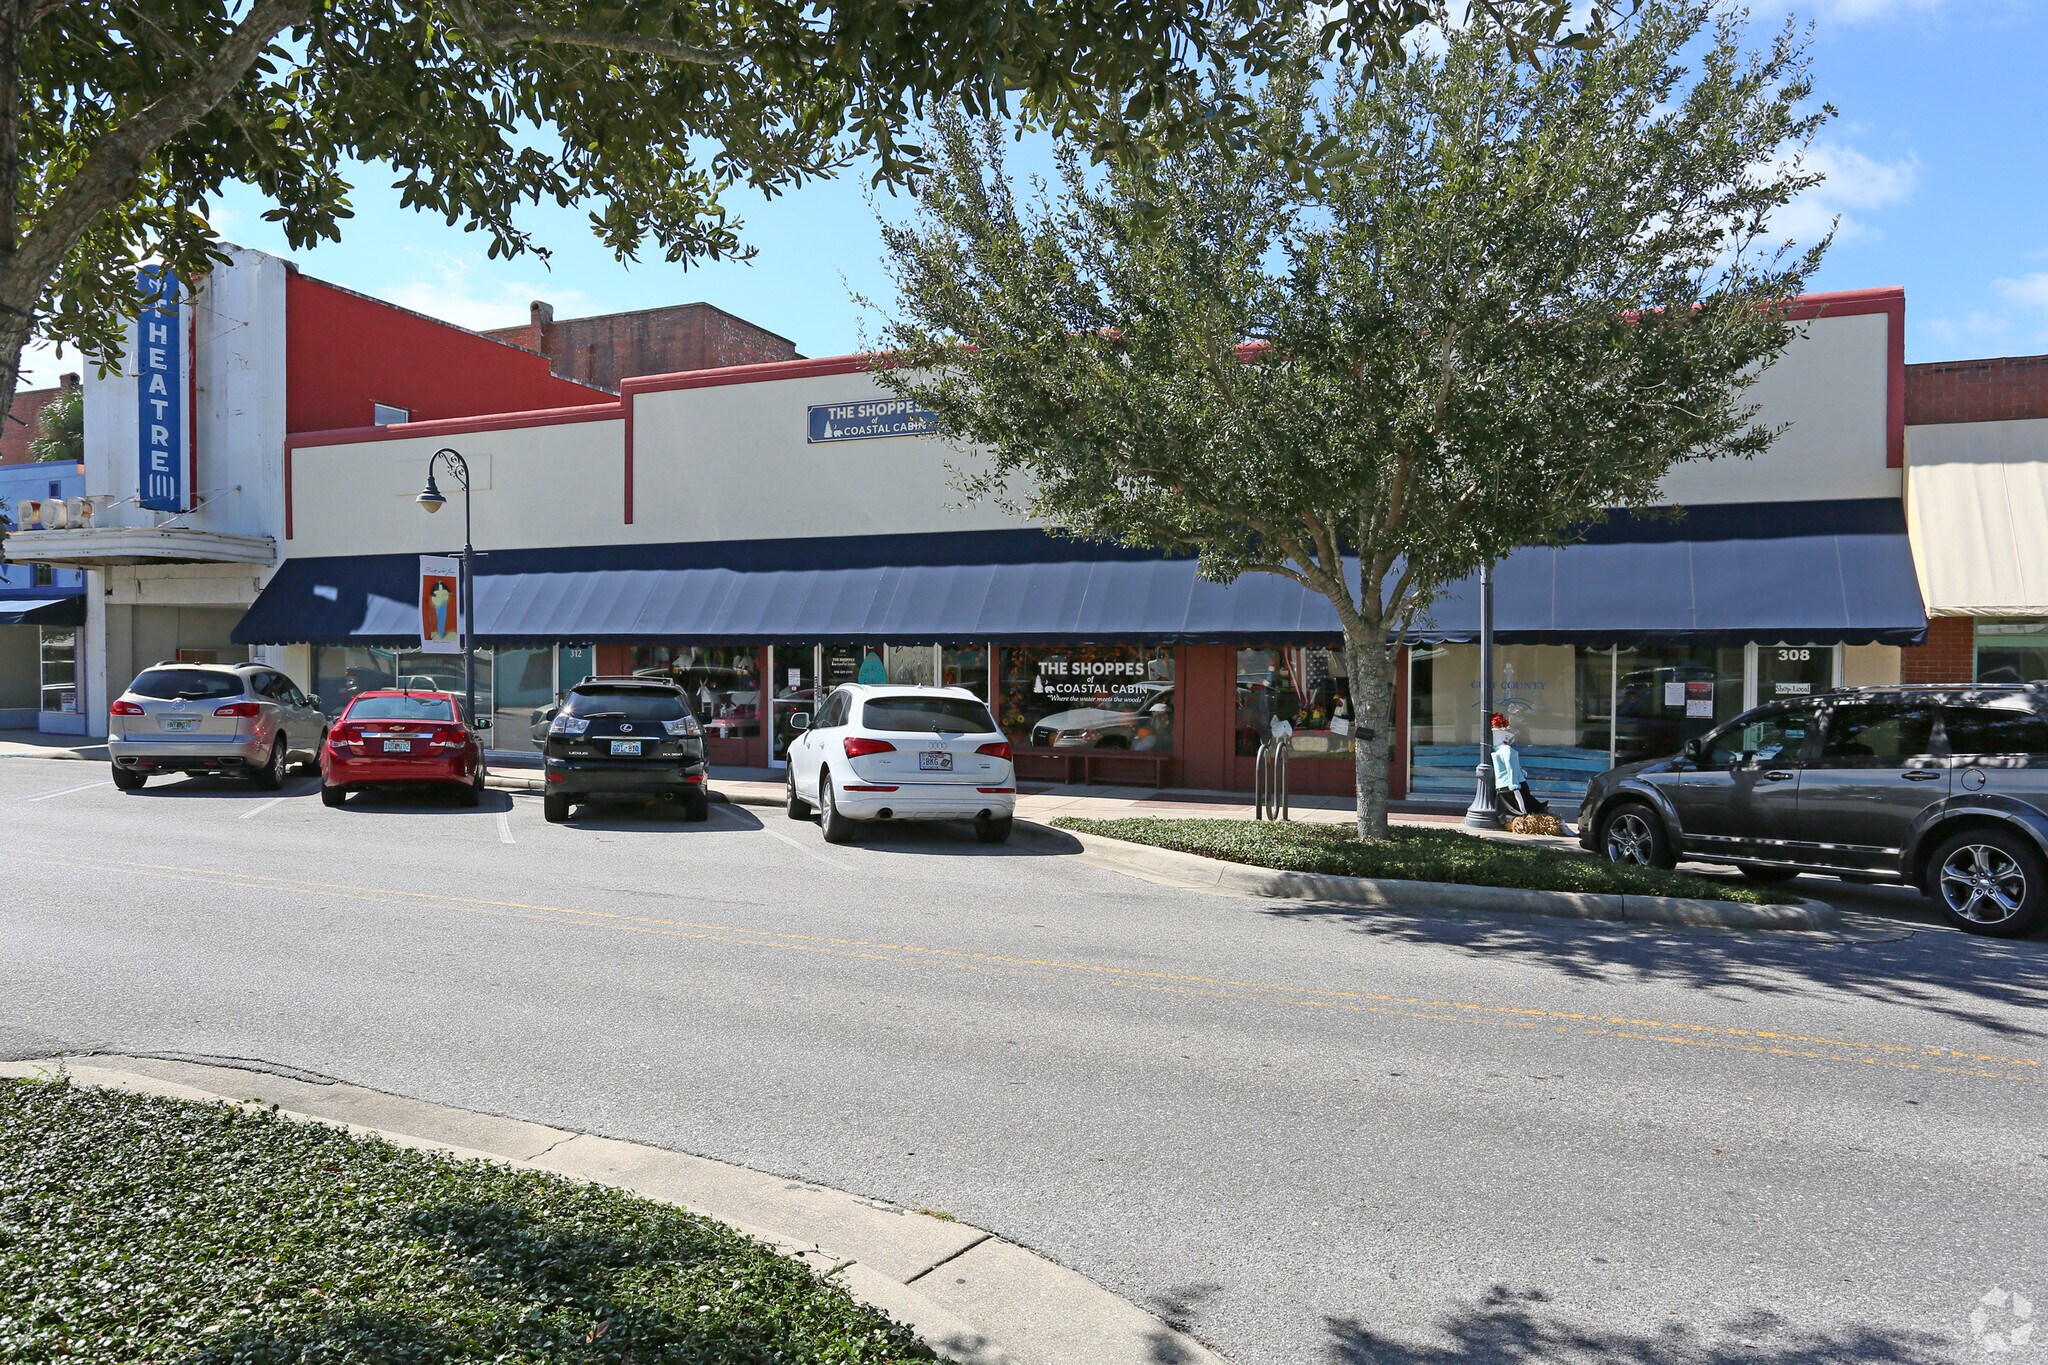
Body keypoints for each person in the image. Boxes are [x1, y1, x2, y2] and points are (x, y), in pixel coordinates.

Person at [1491, 724, 1550, 817]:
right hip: (1504, 787)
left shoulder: (1506, 750)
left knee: (1524, 809)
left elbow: (1511, 768)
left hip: (1509, 787)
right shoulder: (1500, 751)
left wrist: (1514, 785)